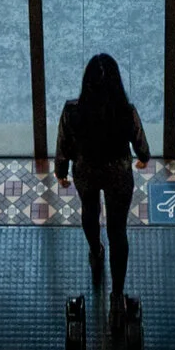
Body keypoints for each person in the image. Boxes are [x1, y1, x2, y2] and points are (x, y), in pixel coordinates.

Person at [53, 52, 151, 307]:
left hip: (86, 169)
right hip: (117, 172)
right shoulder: (125, 112)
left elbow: (63, 142)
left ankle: (96, 253)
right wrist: (143, 156)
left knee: (89, 209)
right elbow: (139, 140)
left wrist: (61, 171)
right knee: (118, 230)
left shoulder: (72, 111)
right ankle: (117, 296)